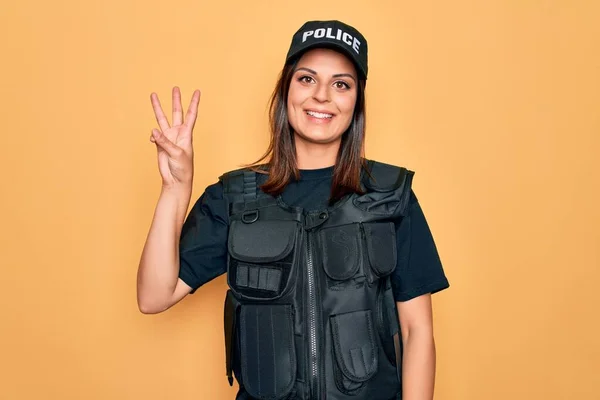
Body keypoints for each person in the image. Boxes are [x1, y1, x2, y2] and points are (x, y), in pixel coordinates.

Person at [137, 20, 449, 400]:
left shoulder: (389, 195)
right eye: (306, 79)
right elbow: (153, 297)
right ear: (286, 90)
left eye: (341, 84)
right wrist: (174, 189)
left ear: (356, 101)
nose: (322, 96)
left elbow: (417, 331)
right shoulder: (234, 197)